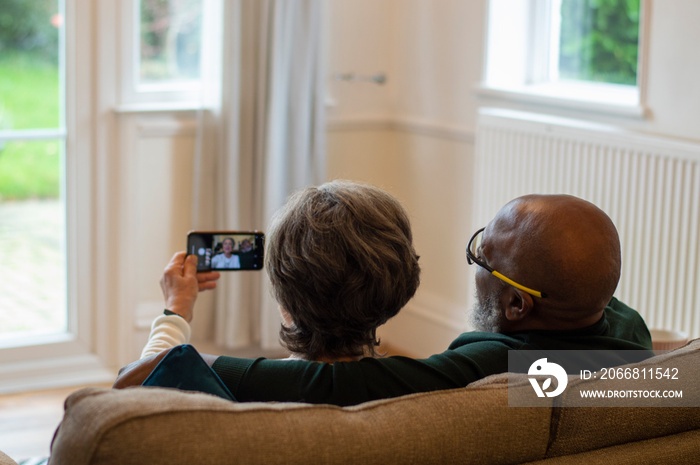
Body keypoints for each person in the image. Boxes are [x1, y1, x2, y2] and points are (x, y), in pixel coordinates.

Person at [116, 193, 652, 407]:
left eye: (481, 257)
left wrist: (176, 315)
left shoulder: (482, 375)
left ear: (517, 307)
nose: (475, 265)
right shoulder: (635, 342)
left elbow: (135, 379)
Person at [139, 180, 421, 362]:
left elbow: (137, 385)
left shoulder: (228, 382)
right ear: (401, 286)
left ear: (282, 297)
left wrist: (176, 309)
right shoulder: (425, 381)